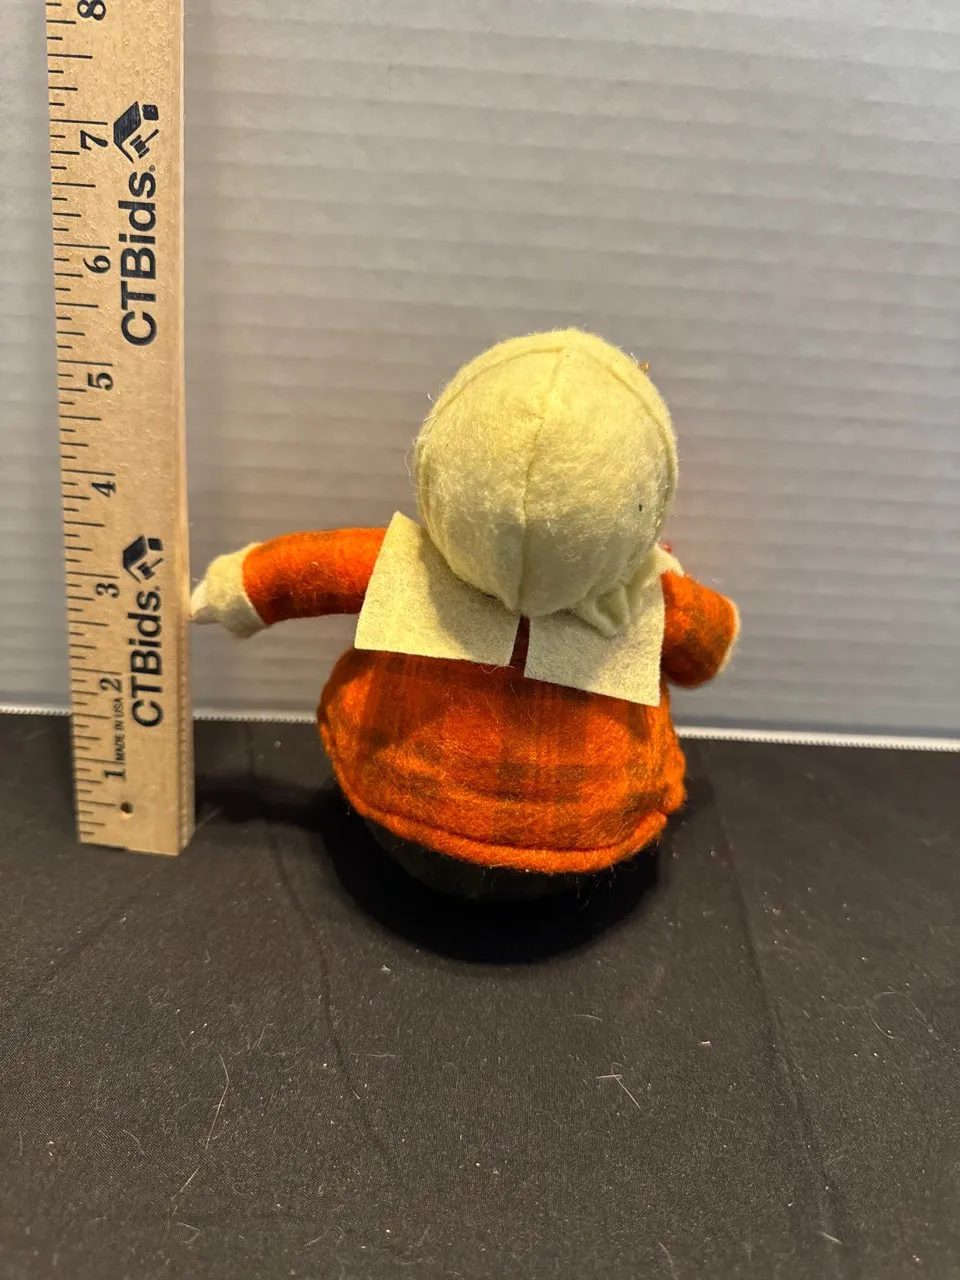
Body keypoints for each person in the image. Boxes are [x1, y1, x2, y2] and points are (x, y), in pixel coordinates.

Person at [192, 330, 738, 896]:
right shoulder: (652, 596)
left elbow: (305, 571)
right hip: (583, 825)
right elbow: (707, 651)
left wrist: (228, 593)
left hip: (404, 797)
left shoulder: (405, 566)